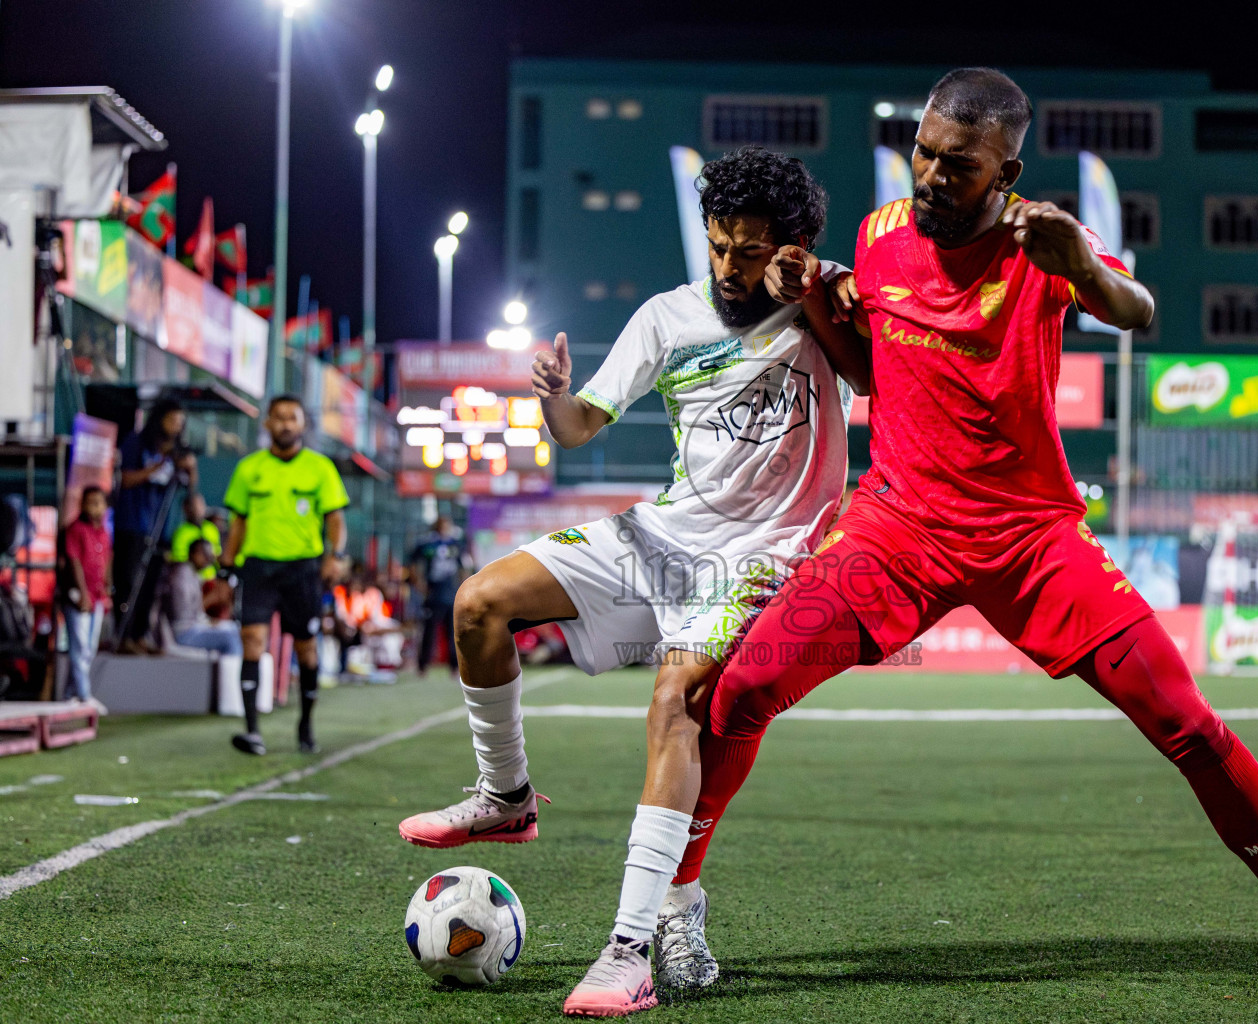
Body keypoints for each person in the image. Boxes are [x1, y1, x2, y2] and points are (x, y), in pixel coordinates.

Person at [562, 69, 1258, 1012]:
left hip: (1030, 539)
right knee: (742, 689)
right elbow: (869, 372)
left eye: (956, 165)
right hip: (896, 529)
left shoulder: (1044, 241)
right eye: (923, 152)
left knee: (1186, 721)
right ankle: (679, 905)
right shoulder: (881, 236)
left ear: (1007, 168)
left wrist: (1082, 268)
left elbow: (1139, 312)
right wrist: (820, 302)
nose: (929, 175)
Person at [393, 147, 864, 1017]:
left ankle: (627, 951)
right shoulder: (668, 316)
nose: (729, 267)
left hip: (761, 550)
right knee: (479, 604)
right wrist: (550, 396)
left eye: (750, 250)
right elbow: (577, 428)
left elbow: (874, 378)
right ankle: (506, 796)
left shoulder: (828, 296)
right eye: (720, 245)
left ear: (791, 245)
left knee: (674, 702)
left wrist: (808, 297)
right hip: (666, 530)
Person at [221, 395, 349, 756]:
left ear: (302, 424)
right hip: (258, 568)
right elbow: (238, 522)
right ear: (267, 424)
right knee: (252, 642)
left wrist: (334, 556)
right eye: (278, 418)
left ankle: (305, 724)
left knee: (307, 650)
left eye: (292, 417)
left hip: (303, 569)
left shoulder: (320, 468)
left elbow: (335, 519)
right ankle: (252, 732)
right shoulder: (249, 468)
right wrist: (226, 564)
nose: (285, 424)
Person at [114, 397, 197, 649]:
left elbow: (190, 495)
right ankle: (123, 635)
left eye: (180, 422)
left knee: (151, 585)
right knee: (129, 582)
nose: (176, 426)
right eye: (172, 420)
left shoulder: (177, 451)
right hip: (132, 525)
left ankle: (140, 634)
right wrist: (158, 466)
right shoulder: (136, 442)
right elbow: (124, 479)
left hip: (160, 528)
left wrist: (190, 469)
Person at [60, 485, 111, 705]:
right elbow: (74, 562)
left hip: (97, 597)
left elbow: (107, 559)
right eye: (91, 502)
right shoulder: (75, 529)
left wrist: (107, 587)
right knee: (79, 647)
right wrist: (83, 594)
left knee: (89, 648)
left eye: (99, 502)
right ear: (82, 505)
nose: (95, 507)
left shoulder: (104, 531)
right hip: (78, 597)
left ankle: (70, 694)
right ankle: (83, 694)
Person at [410, 515, 470, 675]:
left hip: (451, 595)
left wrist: (462, 586)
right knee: (429, 632)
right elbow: (413, 563)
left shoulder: (455, 544)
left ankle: (454, 666)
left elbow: (464, 566)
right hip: (433, 595)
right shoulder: (428, 544)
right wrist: (419, 584)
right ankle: (423, 665)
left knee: (453, 633)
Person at [162, 539, 242, 657]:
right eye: (206, 555)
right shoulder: (181, 575)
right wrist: (205, 621)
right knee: (229, 638)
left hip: (193, 626)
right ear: (196, 553)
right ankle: (230, 675)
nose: (209, 561)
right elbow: (182, 613)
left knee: (234, 629)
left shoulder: (192, 574)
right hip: (183, 632)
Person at [168, 495, 222, 582]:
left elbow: (217, 556)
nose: (198, 509)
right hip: (188, 580)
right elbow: (179, 561)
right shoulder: (181, 533)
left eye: (201, 505)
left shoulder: (212, 529)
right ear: (186, 509)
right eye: (194, 506)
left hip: (210, 580)